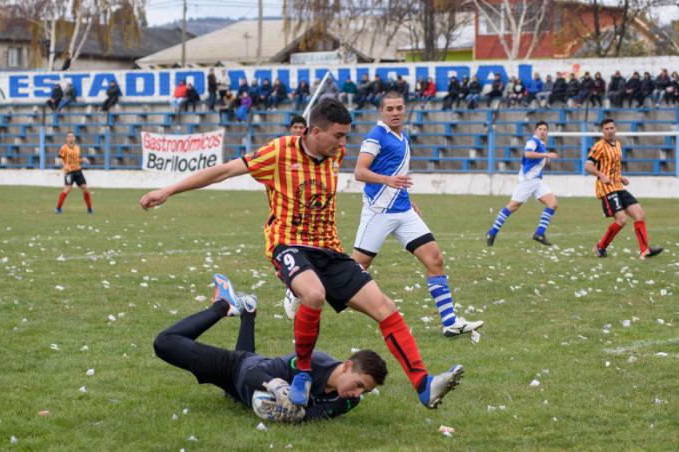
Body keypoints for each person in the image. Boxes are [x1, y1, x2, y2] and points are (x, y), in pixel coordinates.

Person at [139, 99, 466, 411]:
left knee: (387, 309)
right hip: (288, 245)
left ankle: (423, 384)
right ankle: (304, 369)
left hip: (329, 249)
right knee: (313, 294)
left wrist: (407, 201)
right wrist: (168, 190)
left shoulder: (336, 154)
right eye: (337, 136)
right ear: (314, 131)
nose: (342, 144)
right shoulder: (279, 151)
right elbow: (224, 171)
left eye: (345, 137)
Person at [154, 274, 388, 423]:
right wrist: (275, 387)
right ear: (347, 366)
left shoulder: (348, 401)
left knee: (234, 392)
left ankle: (248, 313)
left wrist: (295, 415)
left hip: (242, 388)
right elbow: (252, 375)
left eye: (364, 391)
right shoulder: (311, 362)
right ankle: (223, 305)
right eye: (358, 385)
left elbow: (311, 417)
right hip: (238, 370)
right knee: (164, 343)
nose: (357, 395)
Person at [349, 91, 484, 337]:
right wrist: (387, 180)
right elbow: (359, 171)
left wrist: (409, 201)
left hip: (403, 212)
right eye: (389, 109)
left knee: (435, 259)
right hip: (379, 213)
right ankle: (302, 291)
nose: (395, 113)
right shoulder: (376, 136)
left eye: (399, 108)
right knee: (354, 271)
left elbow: (398, 175)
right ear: (381, 111)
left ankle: (450, 322)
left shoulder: (402, 137)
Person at [586, 119, 664, 260]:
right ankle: (600, 247)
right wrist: (602, 176)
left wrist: (620, 177)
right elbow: (588, 166)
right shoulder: (599, 146)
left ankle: (644, 250)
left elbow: (612, 166)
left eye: (612, 128)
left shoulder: (618, 144)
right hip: (606, 188)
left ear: (616, 129)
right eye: (606, 129)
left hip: (618, 186)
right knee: (621, 220)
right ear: (602, 131)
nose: (609, 131)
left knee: (639, 214)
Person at [486, 121, 559, 247]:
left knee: (553, 204)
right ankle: (492, 232)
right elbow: (527, 153)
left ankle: (539, 233)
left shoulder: (542, 144)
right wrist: (546, 154)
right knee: (513, 206)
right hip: (527, 180)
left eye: (545, 129)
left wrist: (546, 159)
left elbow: (537, 161)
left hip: (537, 181)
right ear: (535, 131)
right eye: (540, 129)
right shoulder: (533, 141)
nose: (542, 131)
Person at [56, 132, 93, 214]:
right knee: (67, 189)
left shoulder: (77, 148)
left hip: (78, 170)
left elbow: (76, 159)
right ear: (66, 139)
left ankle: (89, 209)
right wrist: (65, 165)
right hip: (69, 172)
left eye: (72, 136)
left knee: (85, 188)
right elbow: (59, 159)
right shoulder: (64, 148)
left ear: (74, 138)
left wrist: (82, 159)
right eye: (69, 136)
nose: (71, 138)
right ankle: (58, 208)